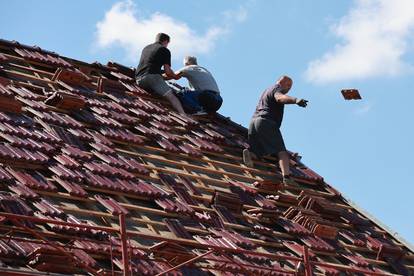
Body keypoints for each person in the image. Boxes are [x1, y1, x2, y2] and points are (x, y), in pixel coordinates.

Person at [243, 75, 308, 185]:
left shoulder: (267, 90)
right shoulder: (277, 89)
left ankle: (251, 153)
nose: (289, 89)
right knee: (281, 151)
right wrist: (295, 100)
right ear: (283, 83)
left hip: (254, 122)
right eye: (289, 86)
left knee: (260, 151)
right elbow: (280, 98)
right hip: (266, 122)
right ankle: (287, 177)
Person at [135, 33, 185, 114]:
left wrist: (165, 75)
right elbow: (168, 72)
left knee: (156, 87)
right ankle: (184, 116)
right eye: (167, 44)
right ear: (166, 41)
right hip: (151, 77)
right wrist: (175, 77)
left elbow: (152, 66)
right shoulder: (164, 50)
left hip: (139, 79)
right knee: (172, 97)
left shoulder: (146, 48)